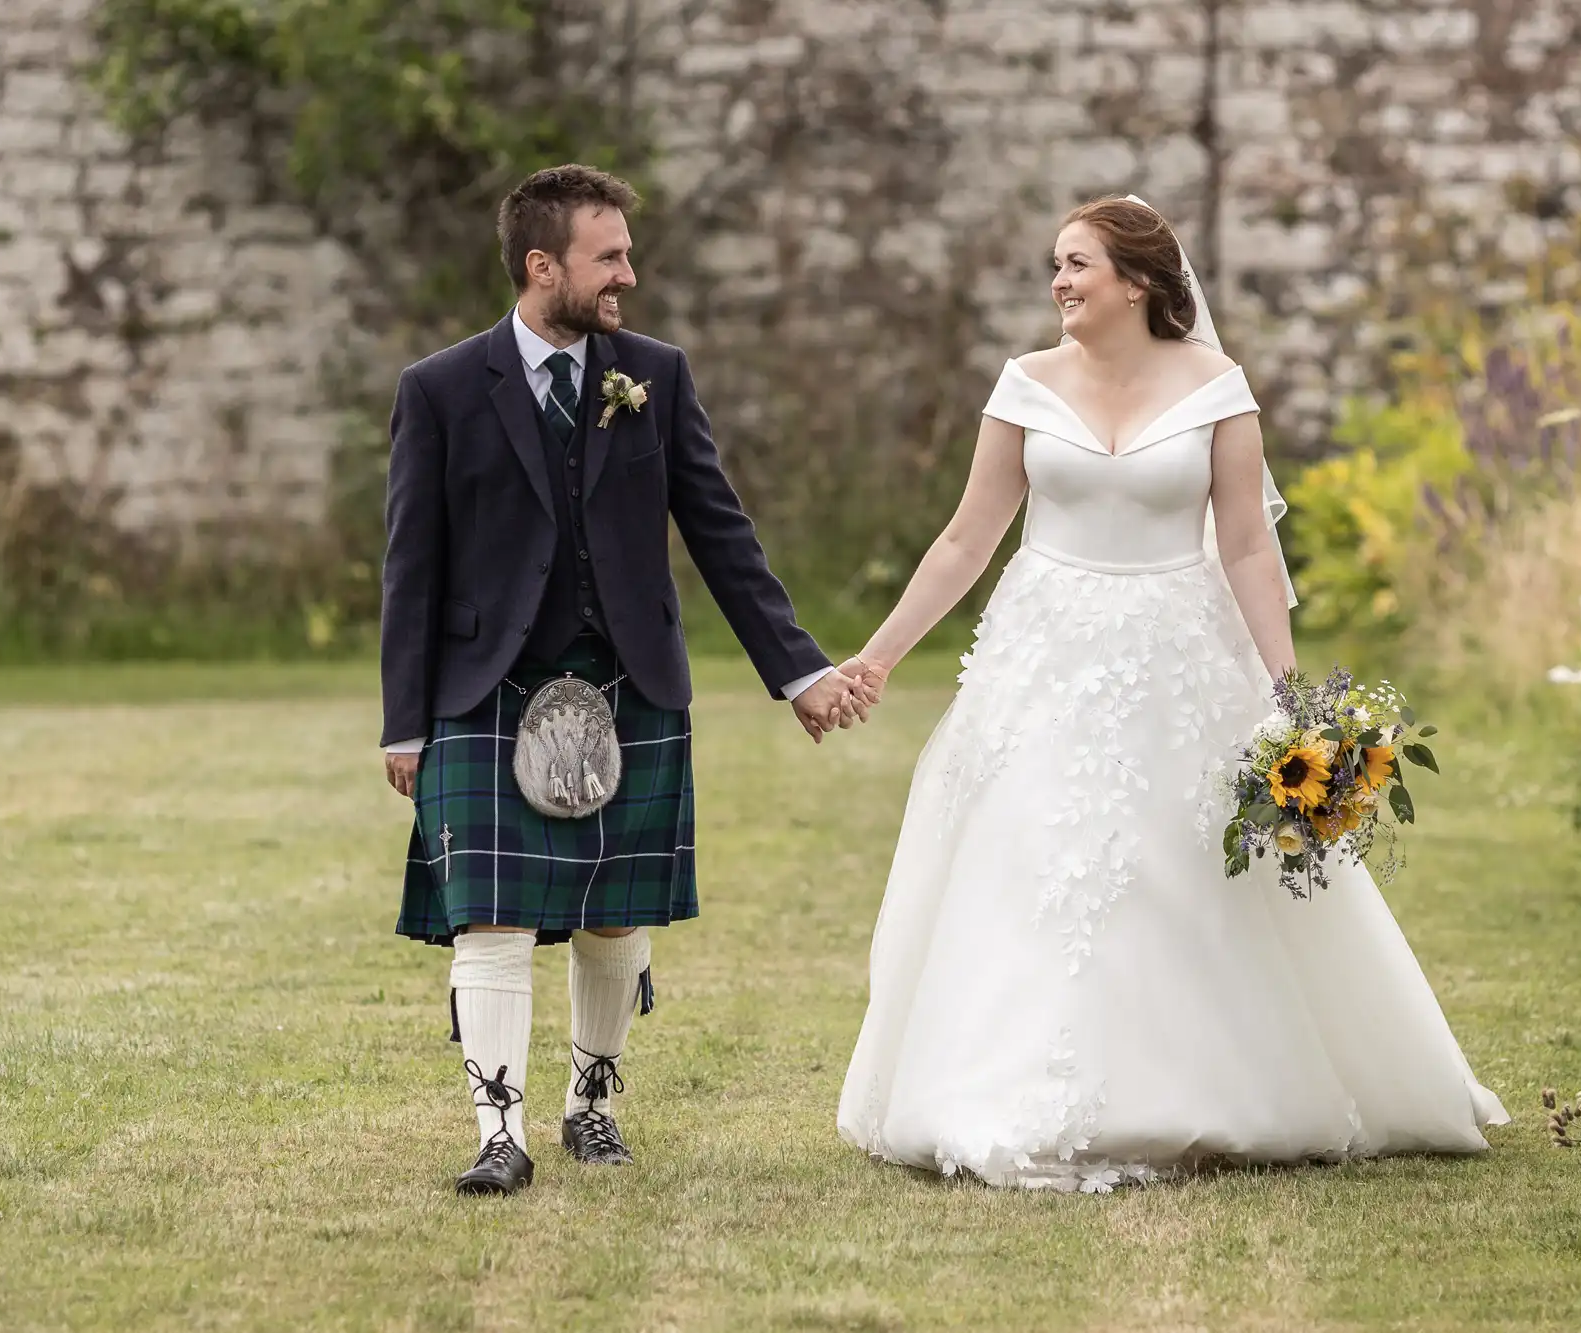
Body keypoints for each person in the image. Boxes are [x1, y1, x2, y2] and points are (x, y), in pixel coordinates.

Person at [833, 196, 1508, 1191]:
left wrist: (1289, 695)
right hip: (1045, 653)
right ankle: (1003, 1083)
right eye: (1055, 266)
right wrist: (878, 657)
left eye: (1075, 265)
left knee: (1180, 868)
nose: (1057, 282)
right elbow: (964, 540)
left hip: (1177, 654)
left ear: (1137, 280)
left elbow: (1242, 543)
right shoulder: (1023, 384)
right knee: (1035, 857)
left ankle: (1204, 1085)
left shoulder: (1215, 388)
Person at [379, 165, 871, 1196]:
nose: (628, 277)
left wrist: (799, 671)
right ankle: (498, 1131)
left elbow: (720, 533)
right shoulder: (439, 389)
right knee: (493, 913)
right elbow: (409, 566)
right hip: (487, 685)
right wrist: (404, 722)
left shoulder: (654, 373)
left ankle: (589, 1105)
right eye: (608, 258)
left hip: (628, 676)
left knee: (610, 907)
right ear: (540, 264)